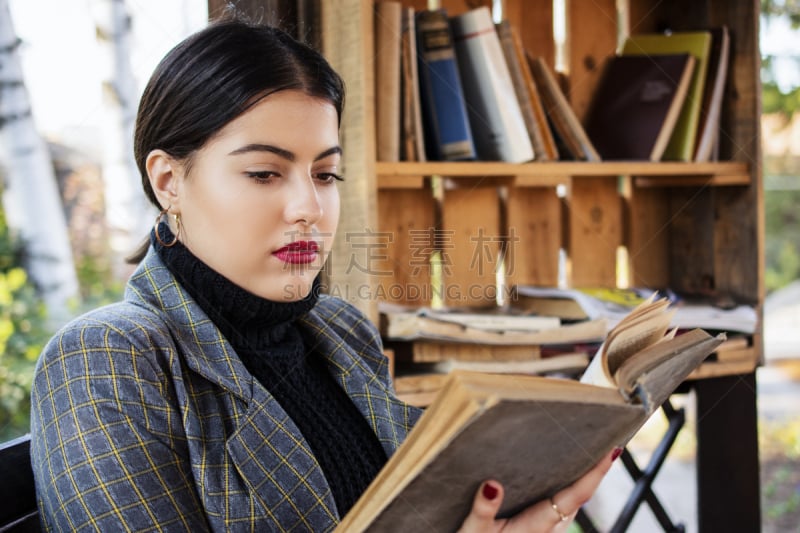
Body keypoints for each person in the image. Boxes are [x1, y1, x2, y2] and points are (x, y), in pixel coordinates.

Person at [29, 17, 619, 532]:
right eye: (264, 173)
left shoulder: (340, 330)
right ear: (167, 182)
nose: (309, 207)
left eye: (326, 174)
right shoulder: (105, 358)